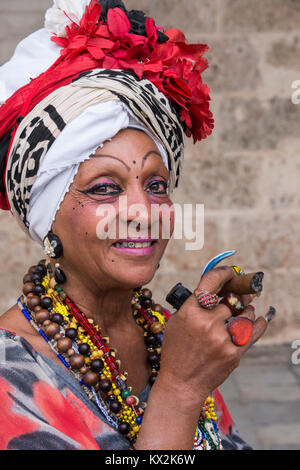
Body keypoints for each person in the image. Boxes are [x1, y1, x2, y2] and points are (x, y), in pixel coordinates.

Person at [0, 0, 274, 450]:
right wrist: (180, 389)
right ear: (47, 220)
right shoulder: (13, 374)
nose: (143, 211)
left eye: (156, 184)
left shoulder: (167, 333)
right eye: (105, 188)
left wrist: (193, 363)